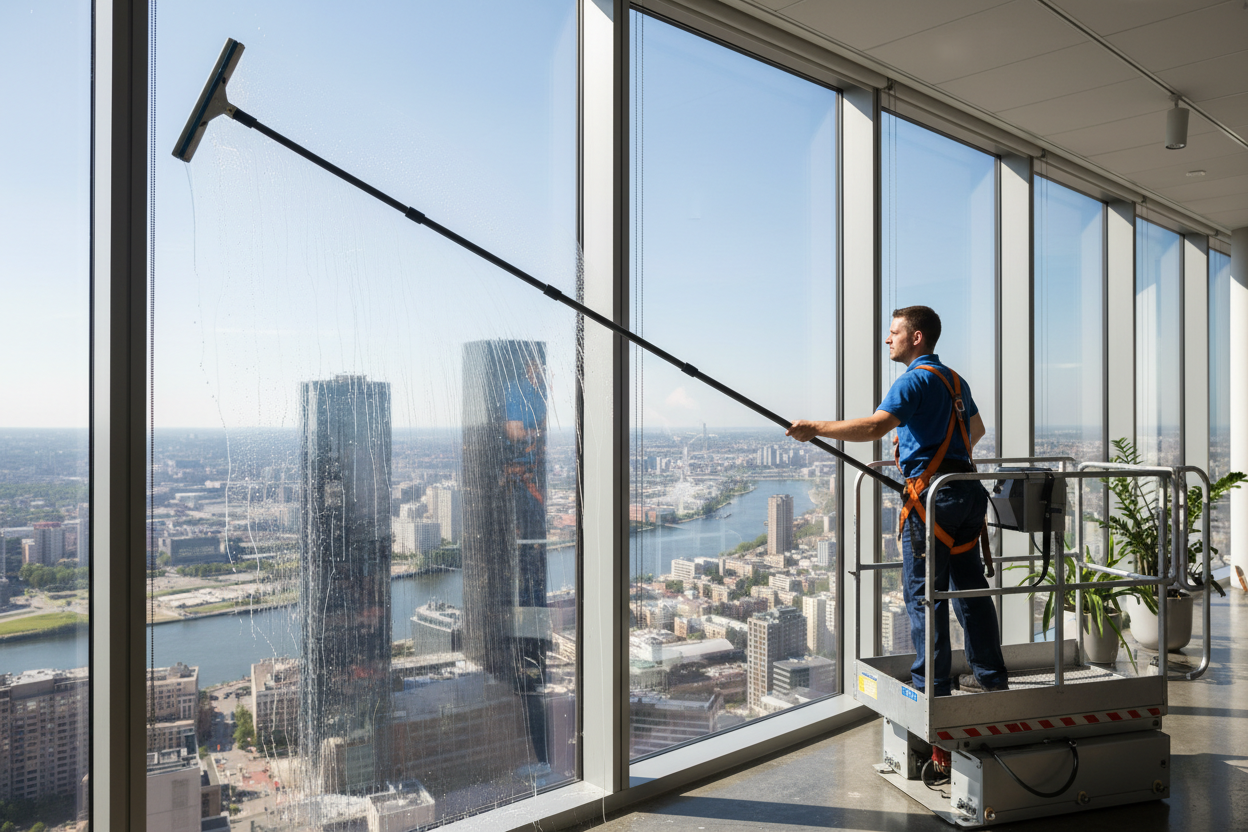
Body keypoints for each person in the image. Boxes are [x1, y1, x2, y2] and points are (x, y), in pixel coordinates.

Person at [787, 305, 1007, 696]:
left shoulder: (911, 381)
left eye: (894, 333)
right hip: (966, 493)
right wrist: (927, 447)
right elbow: (976, 428)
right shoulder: (954, 379)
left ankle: (932, 689)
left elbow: (875, 426)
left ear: (916, 337)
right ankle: (990, 677)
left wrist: (815, 428)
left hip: (932, 501)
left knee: (926, 597)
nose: (888, 339)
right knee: (970, 589)